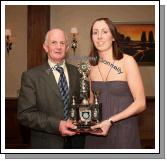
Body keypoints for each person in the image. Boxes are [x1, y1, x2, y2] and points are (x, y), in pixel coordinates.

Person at [17, 28, 85, 149]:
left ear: (67, 48)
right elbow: (25, 114)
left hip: (76, 143)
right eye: (54, 42)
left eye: (62, 43)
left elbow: (81, 104)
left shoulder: (77, 72)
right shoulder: (31, 76)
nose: (58, 47)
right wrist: (57, 125)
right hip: (47, 145)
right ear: (45, 47)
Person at [85, 18, 146, 149]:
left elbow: (141, 103)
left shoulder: (127, 62)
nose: (99, 36)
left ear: (113, 37)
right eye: (95, 32)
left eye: (104, 32)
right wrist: (82, 121)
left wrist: (110, 121)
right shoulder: (90, 65)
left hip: (123, 131)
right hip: (96, 132)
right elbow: (91, 101)